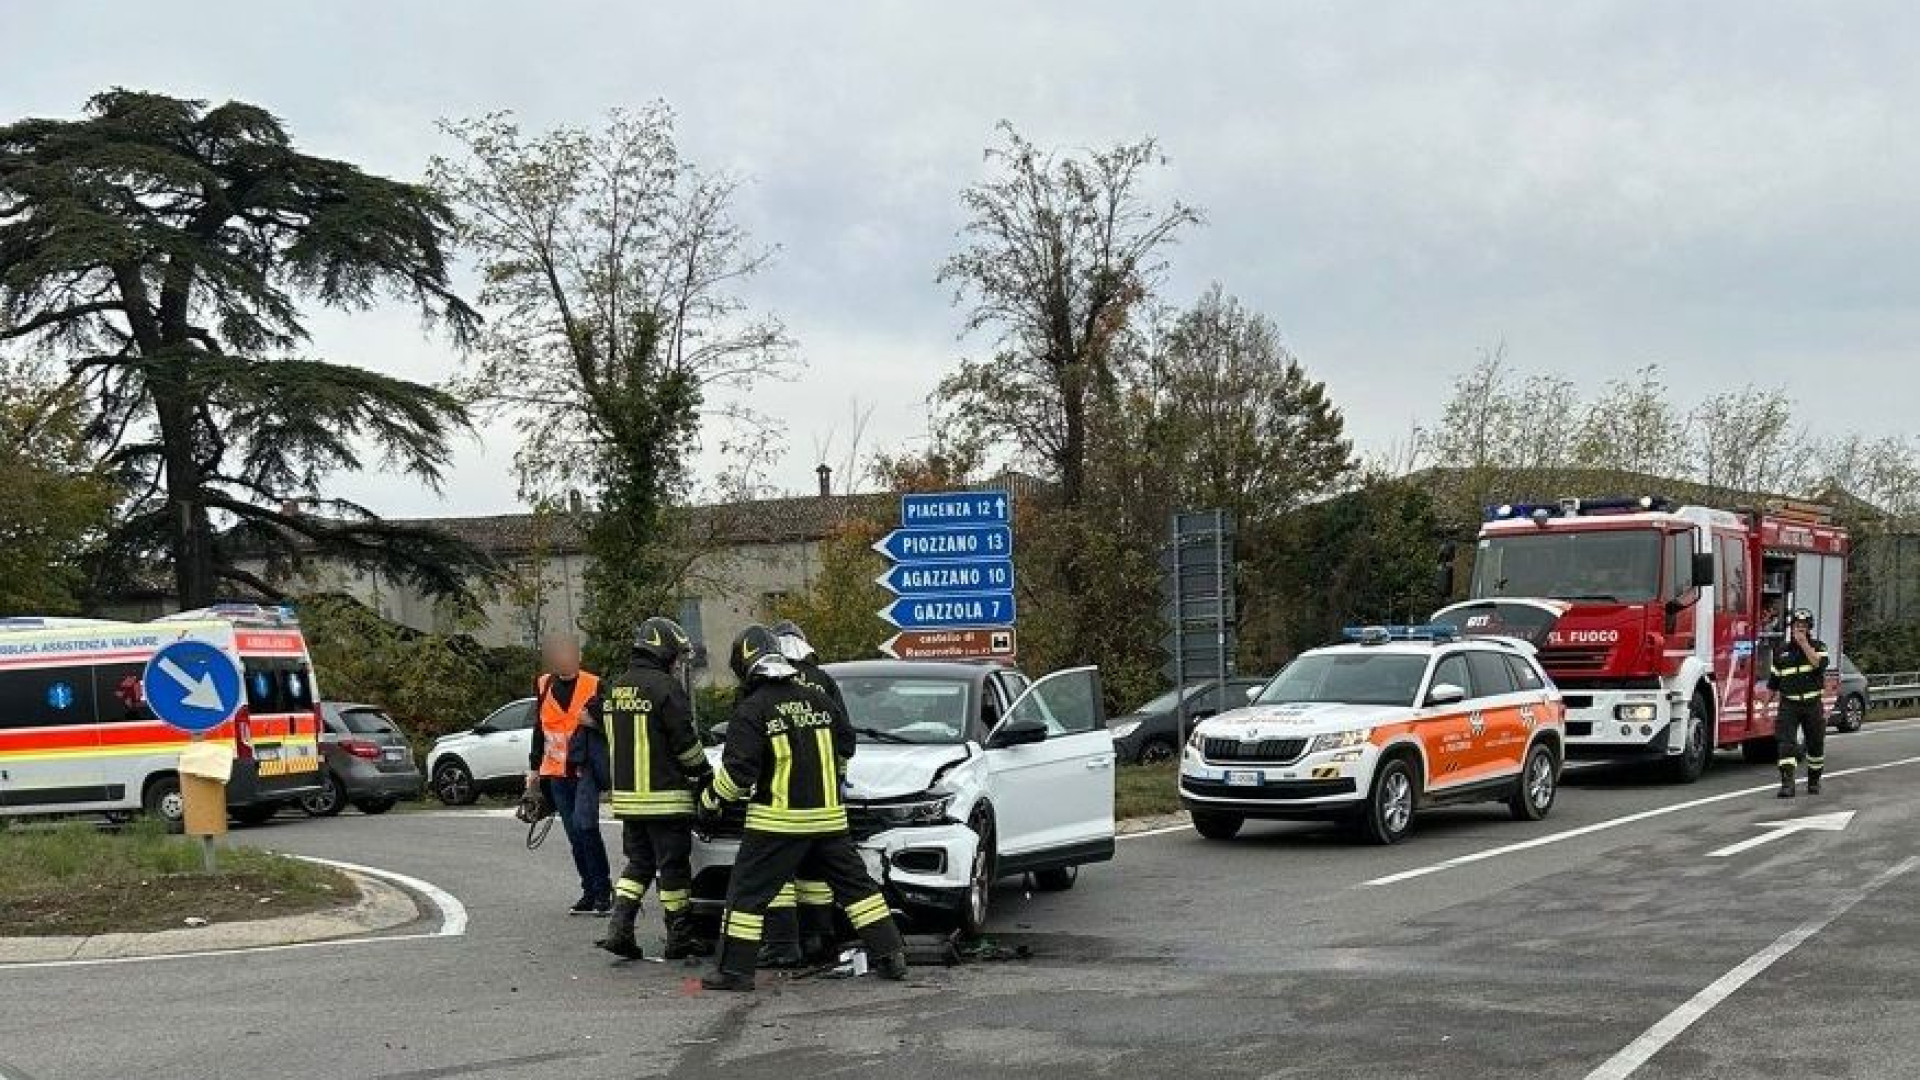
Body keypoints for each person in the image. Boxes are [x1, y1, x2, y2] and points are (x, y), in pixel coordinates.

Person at [699, 625, 908, 992]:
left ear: (745, 665)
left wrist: (710, 801)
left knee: (746, 895)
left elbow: (738, 774)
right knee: (857, 889)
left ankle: (733, 971)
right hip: (828, 820)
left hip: (777, 823)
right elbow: (845, 746)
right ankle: (891, 955)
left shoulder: (753, 709)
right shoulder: (820, 701)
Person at [597, 616, 714, 961]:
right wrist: (704, 774)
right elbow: (685, 743)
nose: (677, 663)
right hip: (666, 798)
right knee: (674, 868)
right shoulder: (665, 688)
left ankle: (619, 928)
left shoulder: (617, 688)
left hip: (629, 800)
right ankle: (680, 938)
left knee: (638, 864)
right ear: (663, 651)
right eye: (675, 655)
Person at [758, 620, 853, 968]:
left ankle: (783, 943)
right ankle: (820, 938)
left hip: (779, 801)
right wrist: (836, 780)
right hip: (825, 801)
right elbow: (845, 741)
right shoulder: (824, 682)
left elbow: (749, 740)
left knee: (777, 874)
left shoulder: (763, 685)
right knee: (817, 872)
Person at [527, 633, 614, 914]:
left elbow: (613, 721)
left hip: (584, 768)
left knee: (586, 828)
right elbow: (539, 729)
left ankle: (603, 891)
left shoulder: (595, 684)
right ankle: (589, 890)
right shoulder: (543, 685)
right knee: (574, 834)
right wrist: (533, 768)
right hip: (555, 772)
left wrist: (594, 720)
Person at [1769, 608, 1830, 798]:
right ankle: (1787, 784)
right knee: (1786, 744)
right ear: (1791, 628)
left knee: (1815, 744)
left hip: (1812, 704)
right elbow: (1774, 682)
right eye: (1797, 626)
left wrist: (1804, 644)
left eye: (1803, 627)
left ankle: (1814, 781)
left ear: (1809, 628)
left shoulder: (1819, 647)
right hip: (1789, 705)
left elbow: (1818, 664)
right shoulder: (1781, 652)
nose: (1800, 630)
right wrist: (1765, 705)